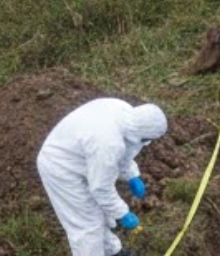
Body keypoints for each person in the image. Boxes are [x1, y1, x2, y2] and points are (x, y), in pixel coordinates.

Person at [36, 99, 168, 256]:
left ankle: (112, 252)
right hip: (60, 167)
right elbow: (101, 188)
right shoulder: (108, 143)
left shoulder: (126, 114)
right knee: (87, 224)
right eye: (146, 140)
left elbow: (127, 151)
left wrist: (132, 175)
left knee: (98, 213)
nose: (146, 143)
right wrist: (123, 213)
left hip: (81, 155)